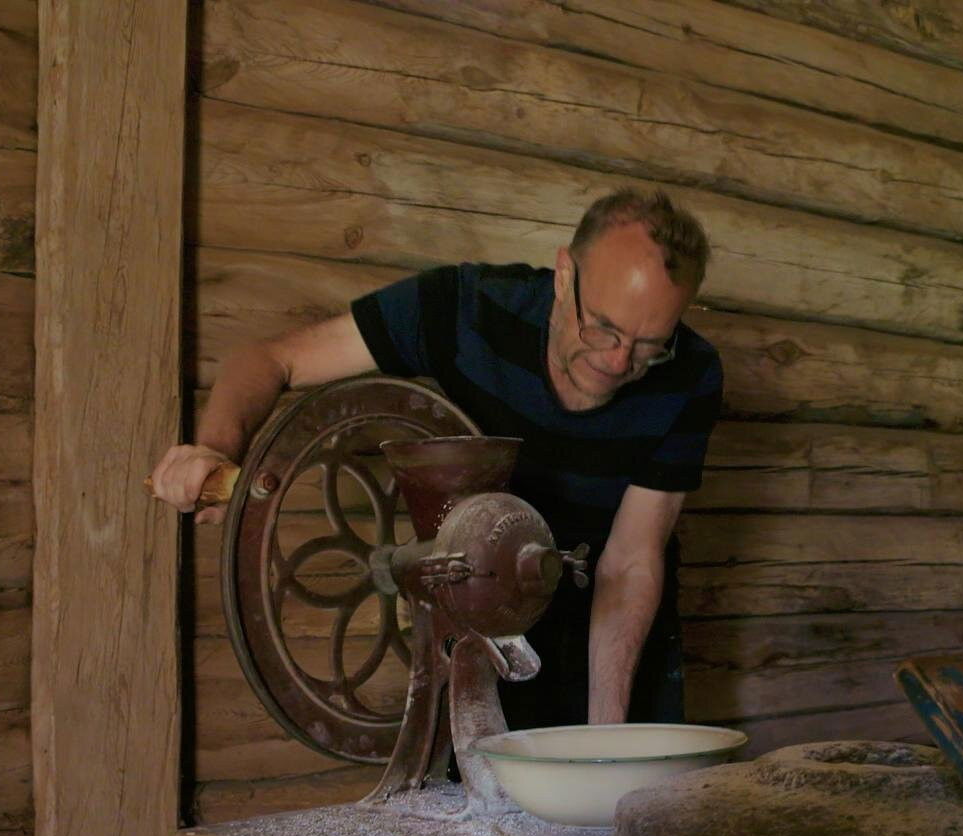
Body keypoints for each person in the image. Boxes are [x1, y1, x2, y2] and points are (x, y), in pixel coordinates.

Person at [151, 188, 721, 729]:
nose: (618, 362)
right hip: (477, 615)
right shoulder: (463, 309)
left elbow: (630, 560)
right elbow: (273, 360)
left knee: (627, 786)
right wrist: (215, 448)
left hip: (619, 631)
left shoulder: (691, 372)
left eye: (649, 346)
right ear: (564, 274)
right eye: (602, 329)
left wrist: (606, 742)